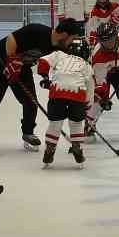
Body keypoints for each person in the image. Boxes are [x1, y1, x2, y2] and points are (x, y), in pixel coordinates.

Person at [0, 19, 83, 158]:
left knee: (31, 101)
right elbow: (11, 40)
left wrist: (46, 78)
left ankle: (28, 133)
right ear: (64, 34)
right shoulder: (36, 31)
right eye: (72, 38)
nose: (71, 42)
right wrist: (11, 61)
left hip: (22, 66)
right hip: (0, 60)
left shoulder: (60, 48)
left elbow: (50, 63)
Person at [36, 39, 92, 167]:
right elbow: (90, 87)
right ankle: (77, 147)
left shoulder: (60, 55)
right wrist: (87, 106)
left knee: (55, 124)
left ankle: (49, 149)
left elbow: (43, 61)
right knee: (76, 123)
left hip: (57, 93)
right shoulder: (87, 66)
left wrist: (45, 78)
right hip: (78, 95)